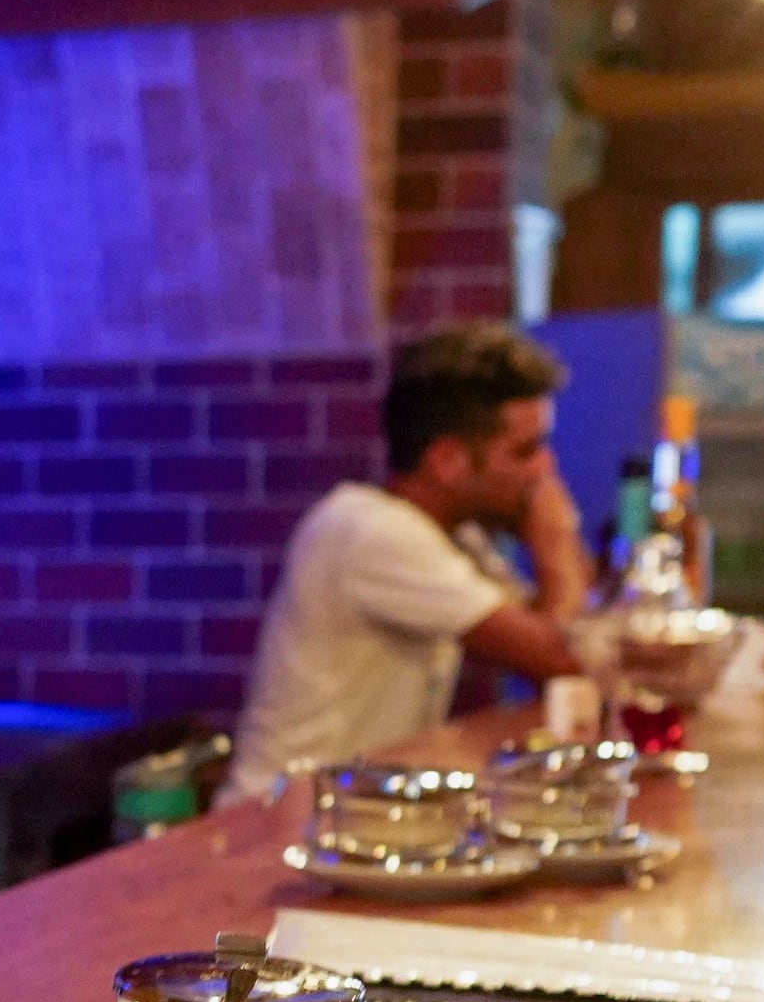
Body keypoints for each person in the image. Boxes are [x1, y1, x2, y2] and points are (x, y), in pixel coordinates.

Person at [226, 320, 592, 791]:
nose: (546, 469)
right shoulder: (372, 530)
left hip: (350, 815)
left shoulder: (456, 538)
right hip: (279, 824)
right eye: (526, 451)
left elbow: (577, 649)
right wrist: (556, 537)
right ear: (447, 462)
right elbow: (562, 657)